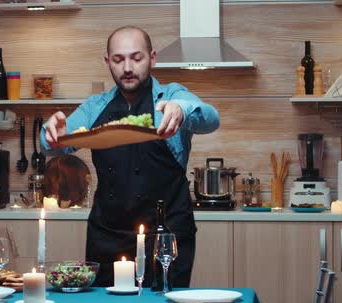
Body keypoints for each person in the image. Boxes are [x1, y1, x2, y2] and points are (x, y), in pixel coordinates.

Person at [40, 26, 220, 288]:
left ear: (152, 58)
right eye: (118, 59)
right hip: (107, 233)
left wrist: (181, 110)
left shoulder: (171, 96)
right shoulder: (94, 107)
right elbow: (54, 144)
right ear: (107, 61)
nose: (127, 67)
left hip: (166, 232)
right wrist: (51, 133)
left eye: (137, 58)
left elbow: (211, 118)